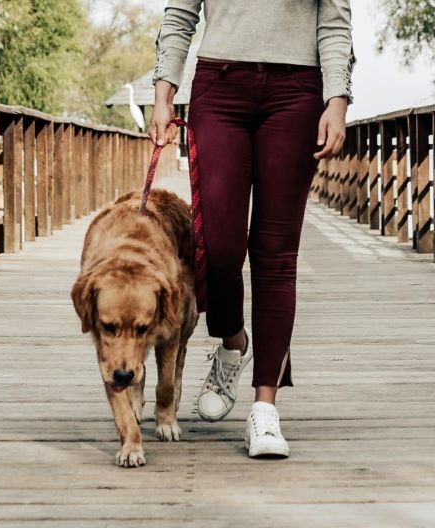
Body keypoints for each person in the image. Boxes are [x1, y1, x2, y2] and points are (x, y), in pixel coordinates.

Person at [149, 0, 355, 459]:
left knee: (276, 253)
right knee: (217, 248)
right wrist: (163, 94)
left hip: (296, 91)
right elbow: (180, 14)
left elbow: (335, 20)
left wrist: (336, 100)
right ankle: (233, 340)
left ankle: (265, 409)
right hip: (218, 88)